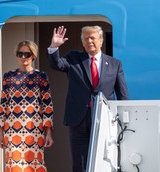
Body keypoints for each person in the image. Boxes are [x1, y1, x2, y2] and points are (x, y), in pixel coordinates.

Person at [47, 25, 129, 172]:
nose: (89, 41)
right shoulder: (74, 58)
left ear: (101, 40)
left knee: (105, 158)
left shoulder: (114, 64)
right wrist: (54, 47)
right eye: (86, 38)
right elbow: (57, 64)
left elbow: (122, 95)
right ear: (82, 43)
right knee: (80, 162)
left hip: (104, 118)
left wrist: (122, 121)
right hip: (78, 119)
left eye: (93, 37)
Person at [0, 40, 54, 172]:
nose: (23, 57)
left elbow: (47, 104)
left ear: (33, 56)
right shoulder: (8, 76)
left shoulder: (41, 76)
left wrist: (48, 132)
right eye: (19, 54)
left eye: (27, 54)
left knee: (35, 164)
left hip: (34, 129)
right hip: (12, 129)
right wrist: (0, 133)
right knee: (13, 165)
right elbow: (3, 104)